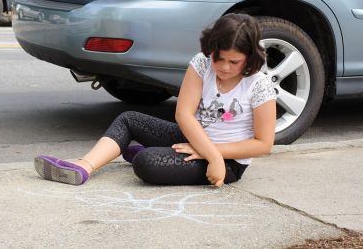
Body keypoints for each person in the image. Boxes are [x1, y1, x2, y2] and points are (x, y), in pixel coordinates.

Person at [34, 13, 277, 187]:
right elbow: (183, 114)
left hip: (228, 160)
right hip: (191, 140)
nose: (224, 67)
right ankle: (83, 167)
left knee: (145, 163)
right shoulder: (202, 63)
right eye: (218, 58)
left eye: (234, 62)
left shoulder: (258, 85)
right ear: (210, 50)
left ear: (249, 58)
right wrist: (205, 150)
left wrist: (212, 156)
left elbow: (263, 144)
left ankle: (146, 151)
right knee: (129, 119)